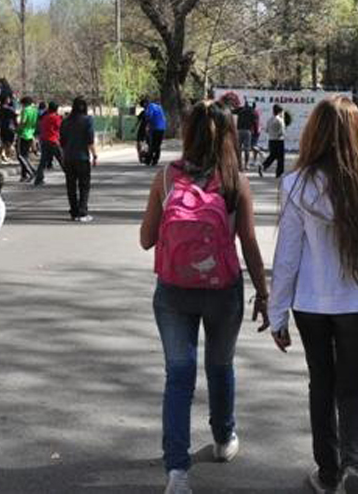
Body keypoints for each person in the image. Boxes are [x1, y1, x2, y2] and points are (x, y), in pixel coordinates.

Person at [268, 97, 358, 494]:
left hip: (310, 304)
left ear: (315, 132)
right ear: (357, 134)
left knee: (321, 385)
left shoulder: (295, 184)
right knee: (353, 390)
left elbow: (287, 256)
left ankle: (327, 471)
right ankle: (354, 465)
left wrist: (278, 314)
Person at [139, 101, 271, 494]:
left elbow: (147, 239)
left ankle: (177, 473)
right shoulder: (235, 181)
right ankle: (222, 438)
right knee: (220, 366)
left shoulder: (166, 177)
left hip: (174, 292)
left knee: (178, 377)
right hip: (222, 290)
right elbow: (248, 242)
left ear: (188, 133)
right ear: (229, 134)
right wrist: (263, 293)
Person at [60, 97, 98, 222]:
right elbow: (90, 140)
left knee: (71, 186)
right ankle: (82, 212)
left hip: (68, 157)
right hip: (82, 157)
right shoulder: (88, 120)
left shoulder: (65, 121)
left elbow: (62, 141)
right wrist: (95, 155)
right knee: (84, 186)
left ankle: (74, 211)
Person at [33, 101, 63, 186]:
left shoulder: (44, 117)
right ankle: (71, 177)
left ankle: (38, 179)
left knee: (43, 161)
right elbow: (59, 127)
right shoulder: (55, 118)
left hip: (44, 140)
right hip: (53, 140)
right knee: (61, 159)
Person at [16, 95, 39, 182]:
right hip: (31, 133)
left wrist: (17, 129)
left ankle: (31, 171)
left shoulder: (25, 110)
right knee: (25, 155)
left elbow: (23, 122)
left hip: (23, 134)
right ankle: (24, 174)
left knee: (21, 155)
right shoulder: (34, 111)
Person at [261, 104, 287, 178]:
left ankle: (263, 165)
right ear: (279, 111)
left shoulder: (269, 120)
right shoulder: (280, 120)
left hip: (271, 140)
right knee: (280, 158)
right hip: (279, 140)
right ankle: (279, 173)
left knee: (272, 155)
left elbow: (266, 130)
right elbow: (282, 132)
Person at [145, 98, 168, 165]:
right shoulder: (159, 107)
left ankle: (148, 159)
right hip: (162, 128)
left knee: (152, 144)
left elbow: (149, 115)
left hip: (155, 128)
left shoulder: (151, 106)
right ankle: (155, 160)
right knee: (158, 144)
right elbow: (163, 118)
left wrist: (147, 124)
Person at [235, 99, 257, 171]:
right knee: (246, 149)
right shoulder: (252, 112)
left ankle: (238, 164)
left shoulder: (241, 110)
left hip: (239, 130)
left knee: (238, 148)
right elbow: (255, 123)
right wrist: (256, 132)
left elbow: (233, 111)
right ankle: (246, 164)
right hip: (247, 131)